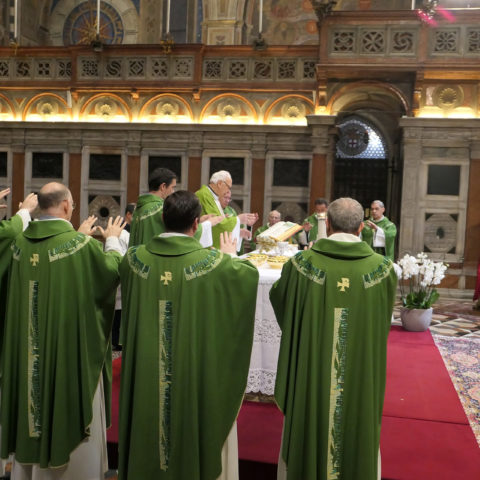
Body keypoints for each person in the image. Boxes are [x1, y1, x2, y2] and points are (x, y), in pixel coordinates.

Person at [118, 190, 259, 480]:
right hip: (191, 373)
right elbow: (247, 276)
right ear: (196, 224)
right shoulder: (215, 263)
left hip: (147, 373)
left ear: (161, 219)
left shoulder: (133, 261)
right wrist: (231, 255)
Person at [0, 182, 125, 480]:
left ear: (40, 206)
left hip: (25, 358)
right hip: (66, 358)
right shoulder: (80, 246)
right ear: (67, 206)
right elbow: (110, 273)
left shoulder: (17, 244)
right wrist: (112, 241)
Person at [270, 197, 397, 480]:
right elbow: (380, 327)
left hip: (311, 381)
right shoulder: (383, 270)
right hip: (359, 380)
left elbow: (281, 303)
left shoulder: (301, 265)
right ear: (362, 227)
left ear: (326, 224)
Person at [130, 168, 221, 248]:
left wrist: (200, 220)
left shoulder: (139, 208)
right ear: (163, 186)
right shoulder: (161, 209)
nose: (173, 191)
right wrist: (208, 224)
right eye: (172, 187)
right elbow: (181, 234)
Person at [196, 170, 258, 250]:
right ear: (220, 184)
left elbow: (219, 223)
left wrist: (238, 232)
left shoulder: (213, 197)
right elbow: (216, 223)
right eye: (228, 187)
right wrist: (238, 219)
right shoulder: (204, 195)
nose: (228, 191)